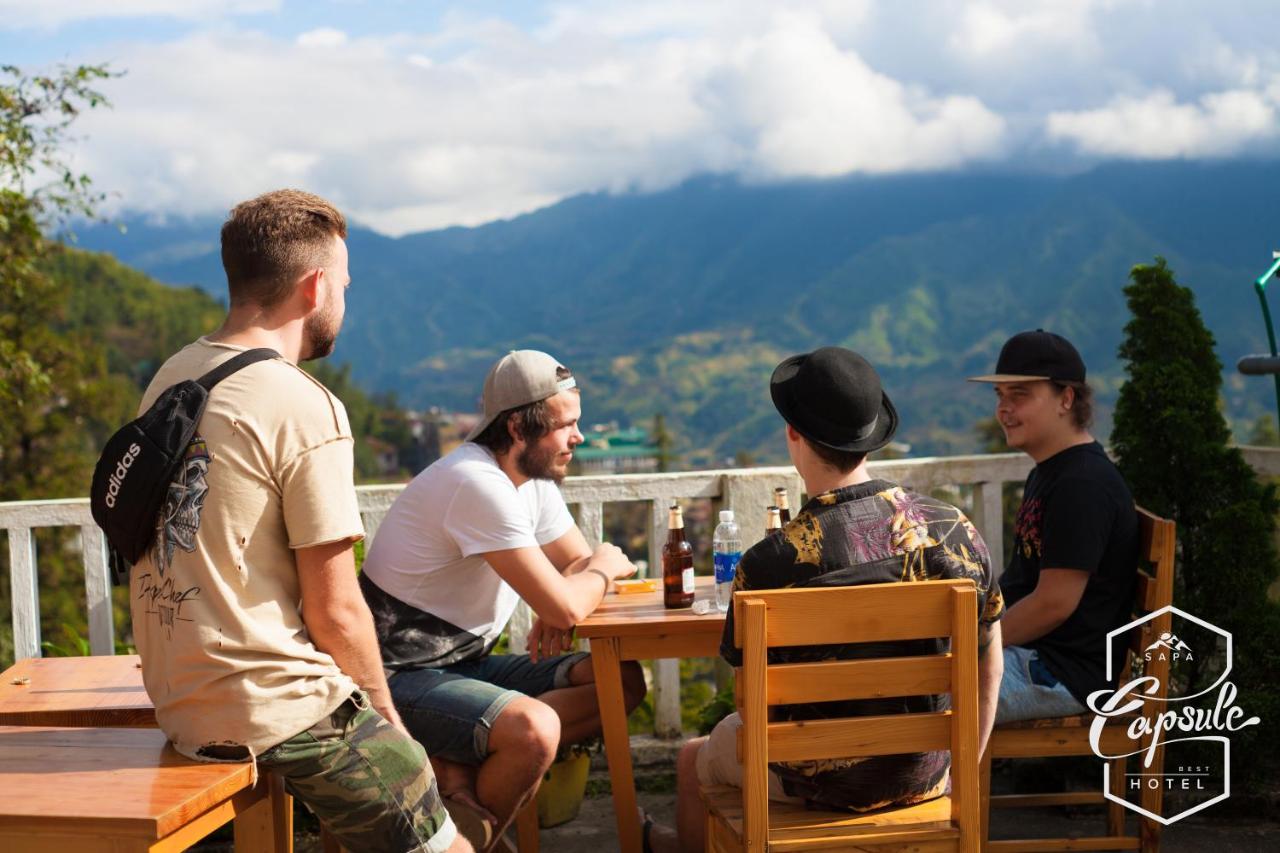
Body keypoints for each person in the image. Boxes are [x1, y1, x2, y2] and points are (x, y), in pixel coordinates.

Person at [130, 189, 468, 853]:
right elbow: (336, 609)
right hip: (272, 701)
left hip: (180, 701)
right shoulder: (303, 404)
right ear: (314, 287)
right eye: (344, 282)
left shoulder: (173, 376)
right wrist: (391, 726)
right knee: (431, 818)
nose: (344, 297)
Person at [650, 346, 1004, 853]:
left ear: (793, 434)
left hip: (815, 784)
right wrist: (961, 758)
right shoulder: (953, 531)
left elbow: (750, 704)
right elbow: (990, 650)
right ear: (870, 438)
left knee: (691, 759)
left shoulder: (768, 563)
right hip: (929, 769)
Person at [359, 350, 647, 839]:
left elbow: (572, 570)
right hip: (394, 680)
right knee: (534, 731)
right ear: (518, 429)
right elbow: (577, 586)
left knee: (620, 682)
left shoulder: (528, 482)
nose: (578, 437)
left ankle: (458, 774)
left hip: (461, 665)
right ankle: (462, 840)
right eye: (565, 425)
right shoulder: (475, 483)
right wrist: (594, 573)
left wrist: (568, 589)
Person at [969, 329, 1139, 723]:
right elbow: (1023, 585)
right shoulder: (1052, 472)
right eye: (1000, 396)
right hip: (1035, 654)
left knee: (920, 694)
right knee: (909, 670)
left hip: (1060, 672)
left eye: (1020, 395)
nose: (1004, 409)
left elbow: (1053, 604)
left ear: (1066, 398)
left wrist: (973, 644)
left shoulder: (1082, 485)